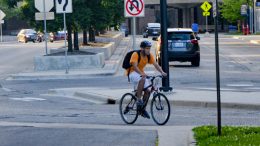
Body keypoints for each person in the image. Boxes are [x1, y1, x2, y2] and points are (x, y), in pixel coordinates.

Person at [128, 40, 167, 119]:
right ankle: (139, 99)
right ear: (142, 48)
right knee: (142, 79)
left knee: (148, 91)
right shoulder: (135, 54)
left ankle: (142, 110)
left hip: (141, 73)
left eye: (149, 48)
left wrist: (162, 72)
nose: (148, 50)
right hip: (132, 73)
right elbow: (134, 67)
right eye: (147, 48)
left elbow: (156, 65)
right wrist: (142, 74)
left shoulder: (149, 56)